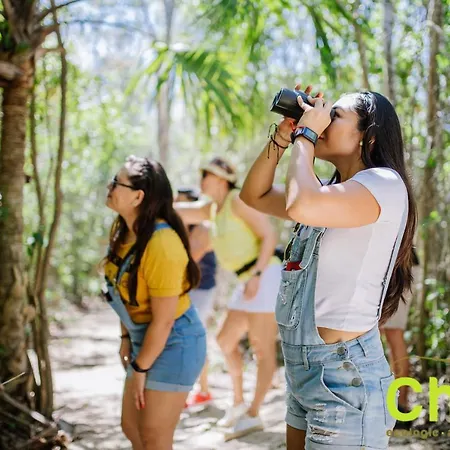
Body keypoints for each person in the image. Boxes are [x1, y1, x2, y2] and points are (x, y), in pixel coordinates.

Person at [240, 84, 417, 449]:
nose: (322, 119)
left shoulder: (384, 184)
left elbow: (300, 204)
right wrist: (282, 138)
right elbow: (254, 195)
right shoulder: (330, 193)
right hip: (304, 371)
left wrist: (306, 135)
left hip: (345, 377)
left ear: (368, 137)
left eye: (334, 116)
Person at [102, 156, 206, 450]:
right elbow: (124, 292)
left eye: (117, 182)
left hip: (174, 342)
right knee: (132, 428)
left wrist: (139, 368)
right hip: (145, 338)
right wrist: (125, 338)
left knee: (153, 435)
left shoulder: (162, 243)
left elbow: (164, 321)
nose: (110, 186)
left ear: (138, 197)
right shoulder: (124, 232)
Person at [175, 157, 282, 440]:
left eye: (206, 174)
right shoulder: (212, 208)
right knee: (225, 340)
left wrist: (257, 275)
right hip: (246, 280)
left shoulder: (237, 200)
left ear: (222, 179)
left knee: (262, 349)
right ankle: (238, 403)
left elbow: (269, 235)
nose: (201, 179)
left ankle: (254, 414)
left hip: (264, 274)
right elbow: (179, 210)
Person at [175, 187, 217, 408]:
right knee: (187, 339)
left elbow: (187, 260)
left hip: (201, 290)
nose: (178, 209)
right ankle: (198, 391)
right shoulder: (181, 228)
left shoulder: (204, 228)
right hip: (186, 289)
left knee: (193, 338)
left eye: (183, 204)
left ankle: (200, 391)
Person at [381, 247, 420, 429]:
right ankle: (397, 404)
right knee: (390, 335)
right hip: (396, 265)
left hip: (399, 266)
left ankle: (401, 407)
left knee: (394, 333)